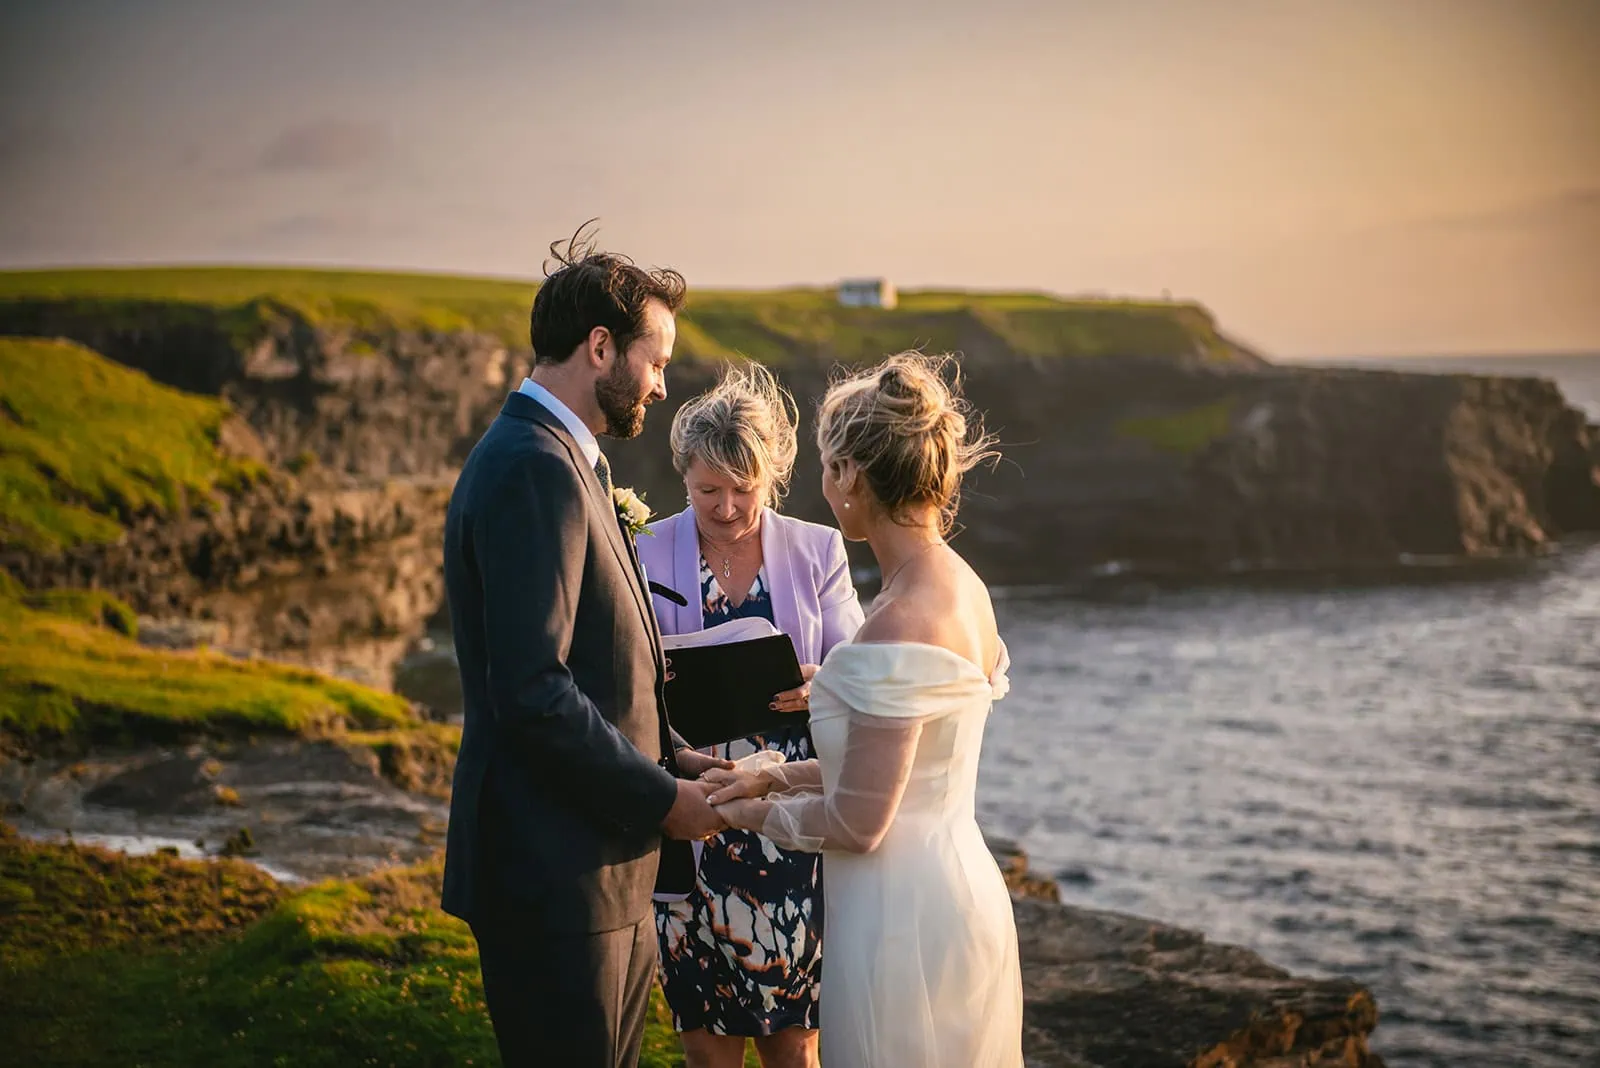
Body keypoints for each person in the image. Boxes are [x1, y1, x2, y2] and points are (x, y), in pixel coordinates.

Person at [439, 225, 731, 1068]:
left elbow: (601, 672)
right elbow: (533, 690)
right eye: (657, 359)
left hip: (593, 871)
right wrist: (662, 800)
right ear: (600, 347)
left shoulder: (566, 457)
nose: (663, 384)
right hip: (559, 877)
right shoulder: (537, 465)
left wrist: (680, 761)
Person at [705, 352, 1024, 1067]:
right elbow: (895, 771)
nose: (823, 487)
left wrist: (733, 814)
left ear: (851, 475)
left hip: (899, 921)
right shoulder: (962, 587)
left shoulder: (896, 622)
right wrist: (768, 776)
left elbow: (859, 821)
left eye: (825, 467)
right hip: (958, 885)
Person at [636, 362, 865, 1068]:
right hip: (688, 808)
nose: (728, 507)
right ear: (683, 476)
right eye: (709, 490)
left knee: (793, 1048)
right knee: (706, 1048)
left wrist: (824, 683)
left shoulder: (817, 549)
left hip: (784, 816)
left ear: (773, 477)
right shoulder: (645, 548)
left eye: (745, 489)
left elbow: (862, 671)